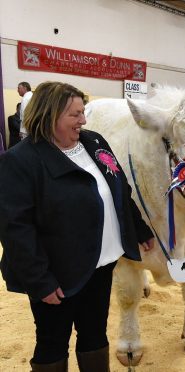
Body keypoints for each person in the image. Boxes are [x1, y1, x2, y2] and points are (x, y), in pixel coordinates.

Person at [0, 81, 155, 372]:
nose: (83, 120)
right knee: (52, 341)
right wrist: (39, 281)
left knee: (94, 332)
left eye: (83, 113)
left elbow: (119, 187)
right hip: (57, 274)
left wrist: (140, 228)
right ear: (49, 115)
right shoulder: (21, 161)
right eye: (75, 115)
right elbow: (15, 228)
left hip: (102, 263)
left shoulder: (94, 142)